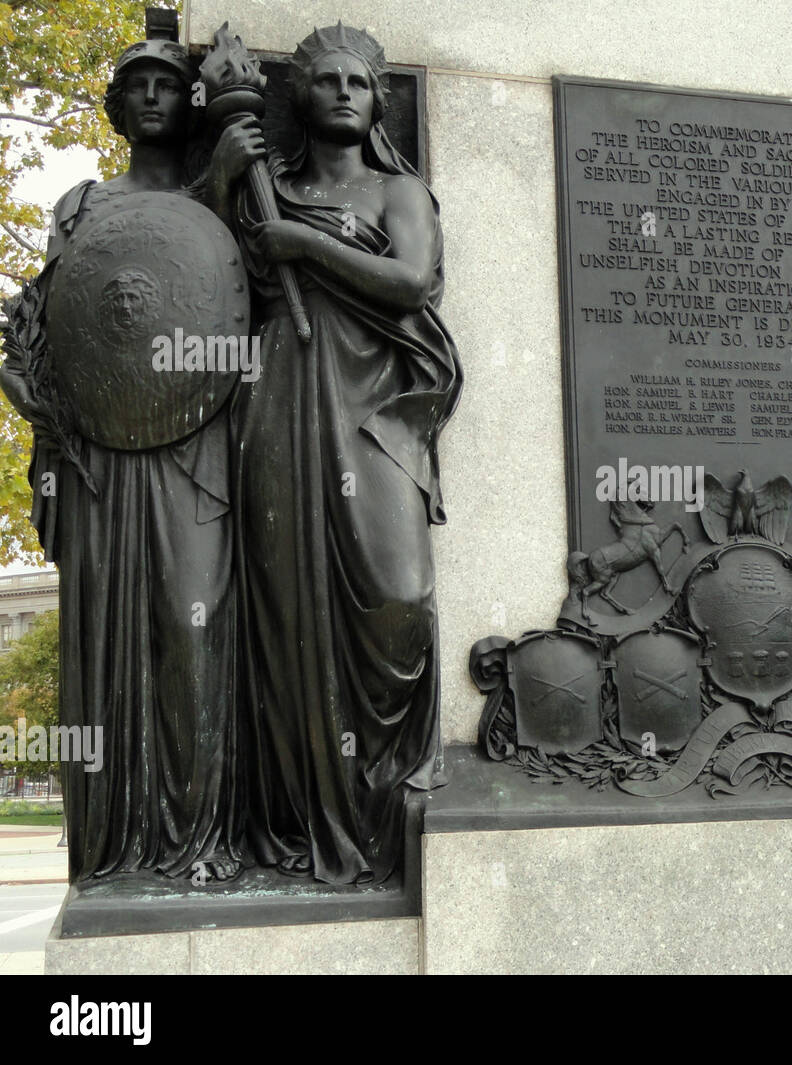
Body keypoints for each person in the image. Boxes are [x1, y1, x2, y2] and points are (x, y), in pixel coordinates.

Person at [0, 39, 252, 881]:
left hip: (198, 445)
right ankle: (116, 843)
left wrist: (223, 183)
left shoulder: (218, 192)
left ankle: (198, 833)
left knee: (195, 628)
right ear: (114, 105)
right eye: (136, 86)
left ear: (190, 102)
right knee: (108, 638)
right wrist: (36, 400)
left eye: (168, 85)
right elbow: (46, 324)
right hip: (101, 452)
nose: (152, 97)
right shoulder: (82, 204)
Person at [231, 24, 462, 884]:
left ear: (375, 100)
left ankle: (380, 796)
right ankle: (300, 814)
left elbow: (411, 280)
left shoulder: (398, 192)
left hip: (375, 415)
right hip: (281, 407)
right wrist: (227, 181)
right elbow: (219, 285)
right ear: (298, 95)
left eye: (357, 82)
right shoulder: (268, 190)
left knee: (401, 596)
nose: (339, 91)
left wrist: (306, 246)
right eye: (322, 80)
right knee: (288, 610)